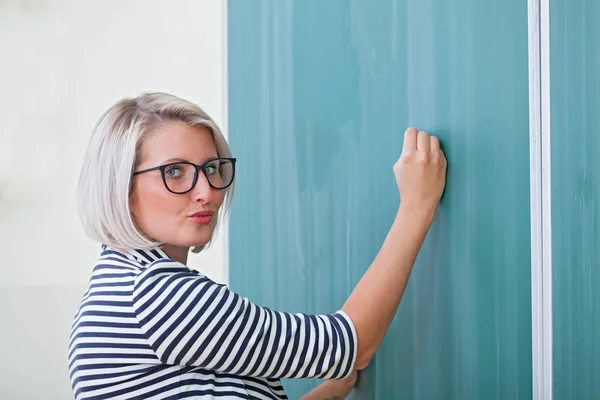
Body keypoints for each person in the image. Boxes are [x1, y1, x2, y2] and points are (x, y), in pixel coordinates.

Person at [68, 92, 447, 400]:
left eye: (213, 168)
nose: (207, 191)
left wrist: (328, 393)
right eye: (174, 172)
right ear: (121, 188)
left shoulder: (118, 286)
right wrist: (417, 207)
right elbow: (350, 343)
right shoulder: (158, 295)